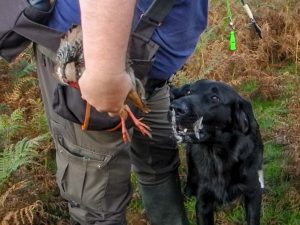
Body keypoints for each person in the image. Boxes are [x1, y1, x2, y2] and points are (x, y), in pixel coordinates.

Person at [35, 0, 208, 224]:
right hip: (90, 62)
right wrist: (105, 74)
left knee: (159, 160)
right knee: (99, 199)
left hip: (147, 69)